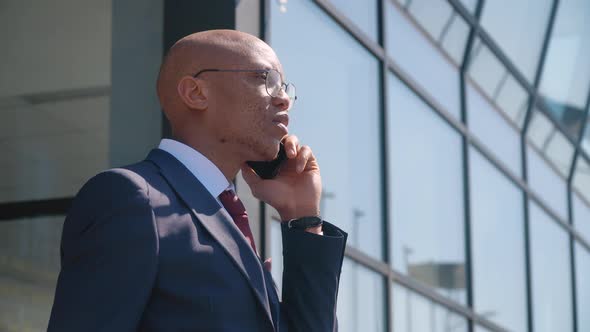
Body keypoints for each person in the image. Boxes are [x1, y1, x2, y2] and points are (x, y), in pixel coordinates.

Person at [47, 29, 347, 331]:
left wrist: (303, 216)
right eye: (264, 79)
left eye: (284, 86)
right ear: (195, 93)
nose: (283, 99)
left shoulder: (231, 221)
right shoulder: (131, 198)